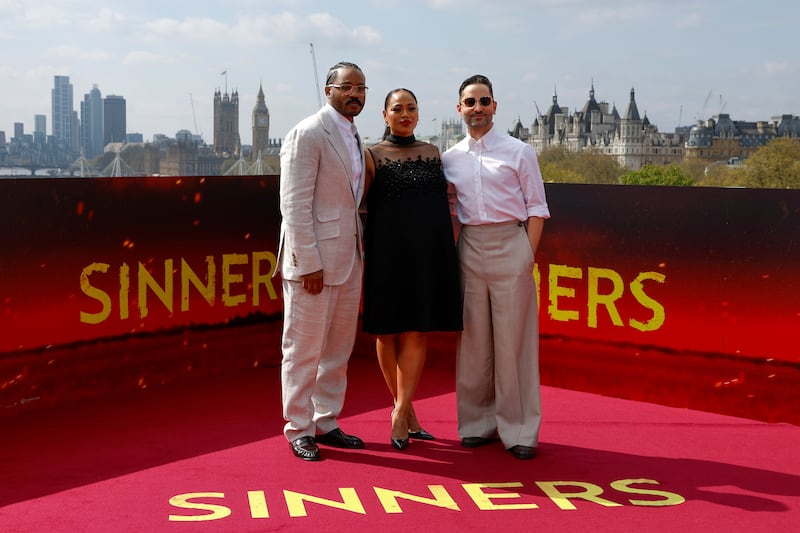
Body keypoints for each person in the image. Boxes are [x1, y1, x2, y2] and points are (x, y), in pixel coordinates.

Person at [442, 74, 550, 460]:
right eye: (469, 102)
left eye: (483, 101)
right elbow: (451, 211)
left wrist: (526, 255)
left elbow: (537, 208)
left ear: (495, 106)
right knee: (473, 342)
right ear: (459, 109)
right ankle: (477, 424)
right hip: (470, 246)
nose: (477, 108)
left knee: (514, 342)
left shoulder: (519, 151)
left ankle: (520, 430)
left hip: (511, 243)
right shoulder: (449, 158)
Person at [276, 61, 368, 461]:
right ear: (328, 90)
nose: (356, 94)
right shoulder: (308, 133)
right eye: (347, 87)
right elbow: (293, 204)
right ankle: (299, 428)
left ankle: (326, 420)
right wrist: (307, 261)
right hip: (313, 263)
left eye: (362, 88)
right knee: (303, 348)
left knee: (337, 349)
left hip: (349, 257)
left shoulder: (354, 136)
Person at [362, 88, 462, 450]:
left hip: (427, 254)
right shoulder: (371, 155)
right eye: (398, 109)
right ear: (385, 115)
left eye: (411, 108)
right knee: (387, 333)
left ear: (418, 114)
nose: (405, 114)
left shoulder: (434, 153)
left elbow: (444, 204)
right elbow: (361, 206)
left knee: (418, 331)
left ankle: (401, 411)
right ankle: (405, 412)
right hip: (386, 253)